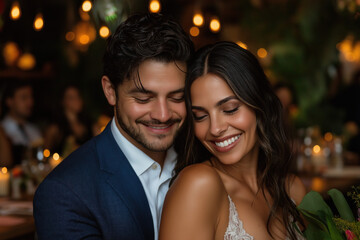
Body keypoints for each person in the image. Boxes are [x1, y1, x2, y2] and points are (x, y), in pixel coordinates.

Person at [33, 13, 194, 240]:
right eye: (143, 99)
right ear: (110, 91)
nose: (163, 115)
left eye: (177, 97)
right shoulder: (65, 193)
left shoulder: (200, 159)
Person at [159, 41, 306, 240]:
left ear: (259, 104)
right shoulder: (198, 185)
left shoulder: (292, 190)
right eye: (200, 116)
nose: (215, 128)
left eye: (230, 109)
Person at [43, 84, 93, 158]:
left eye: (78, 96)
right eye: (71, 98)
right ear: (63, 101)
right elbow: (45, 154)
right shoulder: (55, 128)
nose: (76, 100)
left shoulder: (90, 125)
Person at [1, 79, 42, 167]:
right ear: (9, 101)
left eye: (31, 97)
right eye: (24, 98)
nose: (30, 102)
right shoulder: (3, 130)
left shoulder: (33, 129)